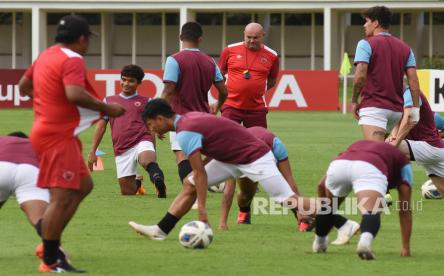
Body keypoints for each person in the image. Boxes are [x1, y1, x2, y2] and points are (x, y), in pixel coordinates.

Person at [18, 14, 125, 273]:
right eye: (87, 39)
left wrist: (47, 102)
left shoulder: (46, 55)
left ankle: (49, 245)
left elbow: (23, 86)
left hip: (51, 132)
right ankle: (51, 258)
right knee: (62, 197)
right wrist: (107, 107)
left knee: (84, 185)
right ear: (80, 39)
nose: (88, 45)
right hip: (56, 136)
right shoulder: (73, 58)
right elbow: (74, 94)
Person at [128, 99, 317, 241]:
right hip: (232, 159)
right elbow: (213, 148)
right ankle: (160, 231)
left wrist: (201, 209)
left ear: (160, 119)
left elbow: (200, 172)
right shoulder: (186, 120)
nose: (151, 130)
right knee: (190, 183)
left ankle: (339, 219)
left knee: (288, 200)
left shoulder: (185, 133)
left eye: (151, 125)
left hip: (254, 157)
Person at [218, 22, 280, 224]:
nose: (252, 41)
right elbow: (220, 74)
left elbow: (271, 81)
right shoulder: (229, 50)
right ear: (243, 35)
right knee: (224, 144)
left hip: (256, 109)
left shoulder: (272, 55)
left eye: (256, 38)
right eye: (249, 37)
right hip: (230, 106)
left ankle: (253, 182)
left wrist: (253, 90)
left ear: (263, 36)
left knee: (259, 148)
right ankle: (220, 179)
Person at [313, 140, 413, 260]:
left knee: (330, 207)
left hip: (339, 166)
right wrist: (405, 247)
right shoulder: (404, 162)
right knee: (372, 210)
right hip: (369, 167)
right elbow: (405, 209)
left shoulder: (359, 145)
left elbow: (320, 185)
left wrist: (326, 207)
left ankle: (319, 242)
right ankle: (364, 243)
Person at [162, 21, 227, 189]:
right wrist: (217, 105)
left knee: (182, 156)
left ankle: (192, 191)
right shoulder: (210, 61)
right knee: (202, 155)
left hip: (181, 118)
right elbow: (224, 91)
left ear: (180, 37)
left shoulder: (174, 60)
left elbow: (168, 90)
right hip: (204, 118)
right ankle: (210, 182)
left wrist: (158, 117)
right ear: (200, 39)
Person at [88, 65, 166, 197]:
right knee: (127, 192)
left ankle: (159, 182)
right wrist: (92, 151)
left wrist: (158, 132)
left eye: (131, 81)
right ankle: (138, 182)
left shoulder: (147, 101)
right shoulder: (109, 101)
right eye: (123, 79)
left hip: (142, 140)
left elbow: (154, 123)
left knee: (147, 161)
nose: (126, 83)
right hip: (122, 148)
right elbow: (101, 127)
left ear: (139, 83)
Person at [0, 132, 71, 266]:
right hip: (30, 171)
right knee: (40, 219)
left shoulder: (2, 140)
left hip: (1, 166)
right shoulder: (35, 146)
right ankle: (56, 253)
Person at [351, 6, 421, 141]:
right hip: (395, 112)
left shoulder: (365, 44)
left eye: (366, 21)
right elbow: (413, 81)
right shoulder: (406, 48)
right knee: (382, 152)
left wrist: (354, 100)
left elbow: (360, 76)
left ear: (376, 23)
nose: (364, 25)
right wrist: (416, 109)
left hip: (374, 108)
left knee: (375, 154)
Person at [218, 126, 307, 231]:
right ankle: (244, 211)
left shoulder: (277, 146)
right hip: (245, 156)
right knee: (245, 196)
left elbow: (289, 180)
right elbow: (229, 190)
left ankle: (303, 219)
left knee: (282, 192)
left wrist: (301, 209)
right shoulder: (233, 151)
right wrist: (222, 222)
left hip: (269, 146)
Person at [387, 88, 444, 201]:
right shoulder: (401, 108)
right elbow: (397, 123)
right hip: (427, 150)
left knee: (386, 148)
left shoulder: (432, 115)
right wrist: (393, 138)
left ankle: (384, 192)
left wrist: (436, 138)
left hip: (431, 148)